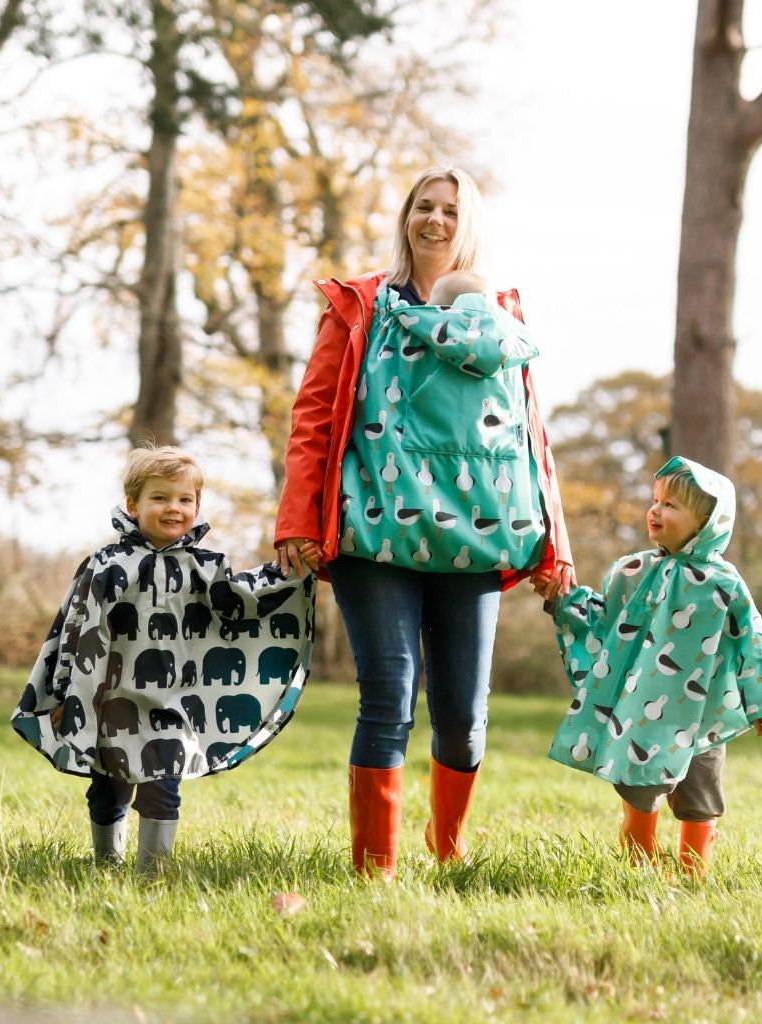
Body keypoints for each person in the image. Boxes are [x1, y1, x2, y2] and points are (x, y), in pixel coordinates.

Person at [274, 167, 575, 877]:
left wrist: (554, 543)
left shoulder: (500, 318)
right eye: (424, 207)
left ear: (469, 224)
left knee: (464, 715)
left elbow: (528, 434)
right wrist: (296, 518)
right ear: (406, 216)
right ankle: (373, 869)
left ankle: (448, 855)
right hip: (373, 535)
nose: (435, 220)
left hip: (474, 538)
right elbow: (313, 418)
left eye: (450, 209)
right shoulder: (359, 305)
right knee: (387, 698)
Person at [11, 445, 315, 873]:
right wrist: (64, 695)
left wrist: (291, 570)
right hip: (111, 701)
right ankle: (107, 861)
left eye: (184, 499)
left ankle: (152, 873)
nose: (174, 508)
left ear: (197, 505)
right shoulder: (106, 566)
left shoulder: (206, 566)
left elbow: (241, 601)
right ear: (133, 505)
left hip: (175, 703)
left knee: (162, 788)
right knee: (109, 787)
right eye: (160, 498)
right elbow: (74, 633)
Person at [534, 456, 762, 876]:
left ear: (707, 523)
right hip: (645, 715)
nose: (655, 510)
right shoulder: (632, 571)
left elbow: (752, 643)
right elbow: (604, 623)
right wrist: (563, 600)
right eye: (655, 500)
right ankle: (637, 862)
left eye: (671, 505)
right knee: (640, 790)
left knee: (700, 797)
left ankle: (693, 869)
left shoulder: (725, 584)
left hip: (703, 715)